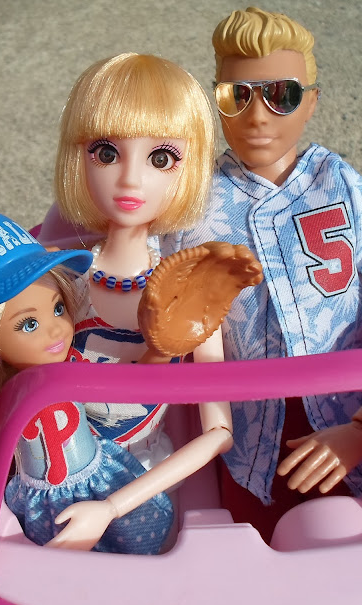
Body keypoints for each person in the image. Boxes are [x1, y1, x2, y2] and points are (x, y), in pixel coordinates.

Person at [160, 7, 362, 539]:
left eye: (283, 95)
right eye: (238, 95)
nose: (258, 116)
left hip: (351, 406)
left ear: (312, 101)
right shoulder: (195, 203)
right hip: (251, 437)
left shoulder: (341, 184)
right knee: (260, 547)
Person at [0, 211, 175, 573]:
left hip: (105, 485)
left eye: (58, 308)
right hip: (45, 514)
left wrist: (161, 351)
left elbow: (129, 397)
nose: (57, 330)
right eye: (28, 324)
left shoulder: (77, 361)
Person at [43, 52, 233, 470]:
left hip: (142, 471)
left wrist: (117, 501)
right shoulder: (61, 276)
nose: (130, 179)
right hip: (56, 468)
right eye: (106, 153)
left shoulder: (187, 294)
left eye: (160, 159)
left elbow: (219, 432)